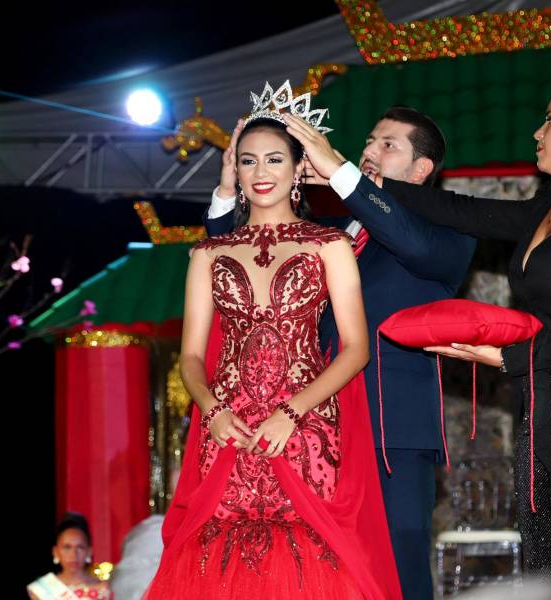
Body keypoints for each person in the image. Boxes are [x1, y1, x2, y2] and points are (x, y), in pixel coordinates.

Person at [288, 81, 551, 583]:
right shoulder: (541, 211)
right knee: (545, 569)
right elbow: (451, 208)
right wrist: (338, 175)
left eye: (550, 120)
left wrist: (506, 358)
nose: (537, 131)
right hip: (542, 399)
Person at [206, 102, 476, 599]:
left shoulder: (449, 232)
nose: (369, 151)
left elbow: (407, 240)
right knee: (325, 568)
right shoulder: (333, 230)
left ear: (422, 169)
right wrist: (230, 186)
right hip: (313, 428)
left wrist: (338, 174)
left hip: (390, 429)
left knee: (399, 565)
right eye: (369, 141)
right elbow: (236, 269)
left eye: (387, 145)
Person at [144, 82, 401, 599]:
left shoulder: (330, 245)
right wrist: (212, 411)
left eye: (274, 159)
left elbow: (356, 348)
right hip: (228, 428)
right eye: (248, 161)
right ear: (234, 172)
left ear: (297, 168)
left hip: (304, 428)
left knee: (312, 563)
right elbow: (191, 357)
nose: (261, 173)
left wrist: (293, 411)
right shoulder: (207, 255)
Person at [27, 512, 111, 600]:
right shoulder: (41, 589)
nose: (73, 554)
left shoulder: (103, 588)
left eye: (80, 547)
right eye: (67, 547)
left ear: (89, 551)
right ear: (55, 551)